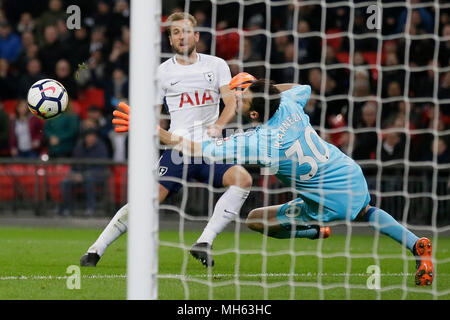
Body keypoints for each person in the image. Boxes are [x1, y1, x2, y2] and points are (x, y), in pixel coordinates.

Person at [157, 75, 434, 287]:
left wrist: (162, 134)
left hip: (328, 200)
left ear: (254, 115)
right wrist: (263, 86)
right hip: (347, 172)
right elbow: (304, 87)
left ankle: (314, 229)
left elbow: (200, 148)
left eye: (244, 98)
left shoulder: (257, 141)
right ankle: (416, 244)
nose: (237, 99)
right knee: (365, 211)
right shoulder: (288, 104)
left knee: (256, 220)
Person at [80, 12, 253, 268]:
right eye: (175, 32)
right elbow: (148, 114)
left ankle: (204, 241)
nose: (181, 36)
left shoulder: (217, 65)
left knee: (243, 180)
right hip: (177, 149)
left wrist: (218, 126)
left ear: (196, 36)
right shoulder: (161, 73)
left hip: (211, 149)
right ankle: (95, 250)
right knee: (146, 201)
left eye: (186, 31)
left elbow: (231, 103)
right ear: (170, 41)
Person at [59, 129, 109, 217]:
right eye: (89, 136)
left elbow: (102, 166)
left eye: (93, 137)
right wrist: (74, 174)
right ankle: (67, 208)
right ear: (85, 138)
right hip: (79, 175)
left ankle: (90, 208)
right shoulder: (79, 147)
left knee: (89, 179)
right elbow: (74, 165)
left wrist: (83, 175)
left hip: (97, 175)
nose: (91, 139)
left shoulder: (101, 147)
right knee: (65, 182)